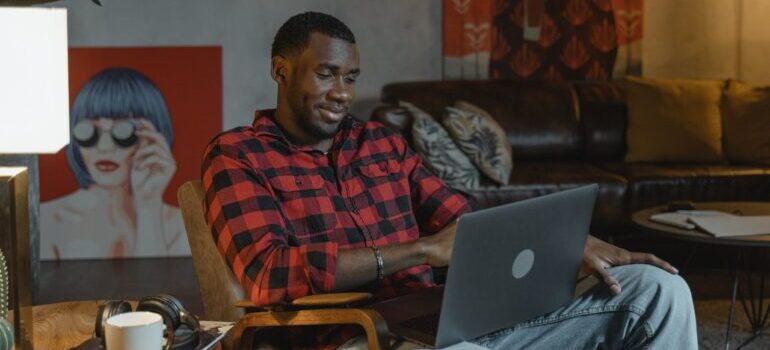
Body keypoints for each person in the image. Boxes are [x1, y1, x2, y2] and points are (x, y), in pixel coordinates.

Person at [202, 12, 697, 349]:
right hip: (356, 336)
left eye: (350, 78)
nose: (342, 93)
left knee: (658, 289)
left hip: (444, 325)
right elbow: (268, 273)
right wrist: (420, 251)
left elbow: (468, 225)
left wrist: (570, 244)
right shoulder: (238, 155)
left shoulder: (380, 144)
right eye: (326, 74)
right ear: (280, 71)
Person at [41, 68, 190, 260]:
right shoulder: (46, 220)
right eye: (89, 131)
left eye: (124, 132)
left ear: (153, 138)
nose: (104, 147)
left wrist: (148, 205)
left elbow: (154, 289)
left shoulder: (180, 225)